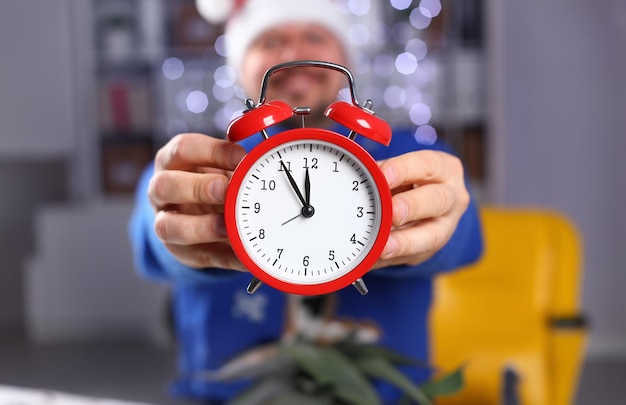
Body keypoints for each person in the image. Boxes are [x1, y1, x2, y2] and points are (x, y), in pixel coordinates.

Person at [129, 0, 483, 403]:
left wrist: (441, 224)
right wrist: (172, 223)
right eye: (271, 40)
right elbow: (150, 228)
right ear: (241, 66)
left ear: (345, 57)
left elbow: (467, 236)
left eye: (315, 36)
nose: (294, 54)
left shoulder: (407, 155)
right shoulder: (201, 162)